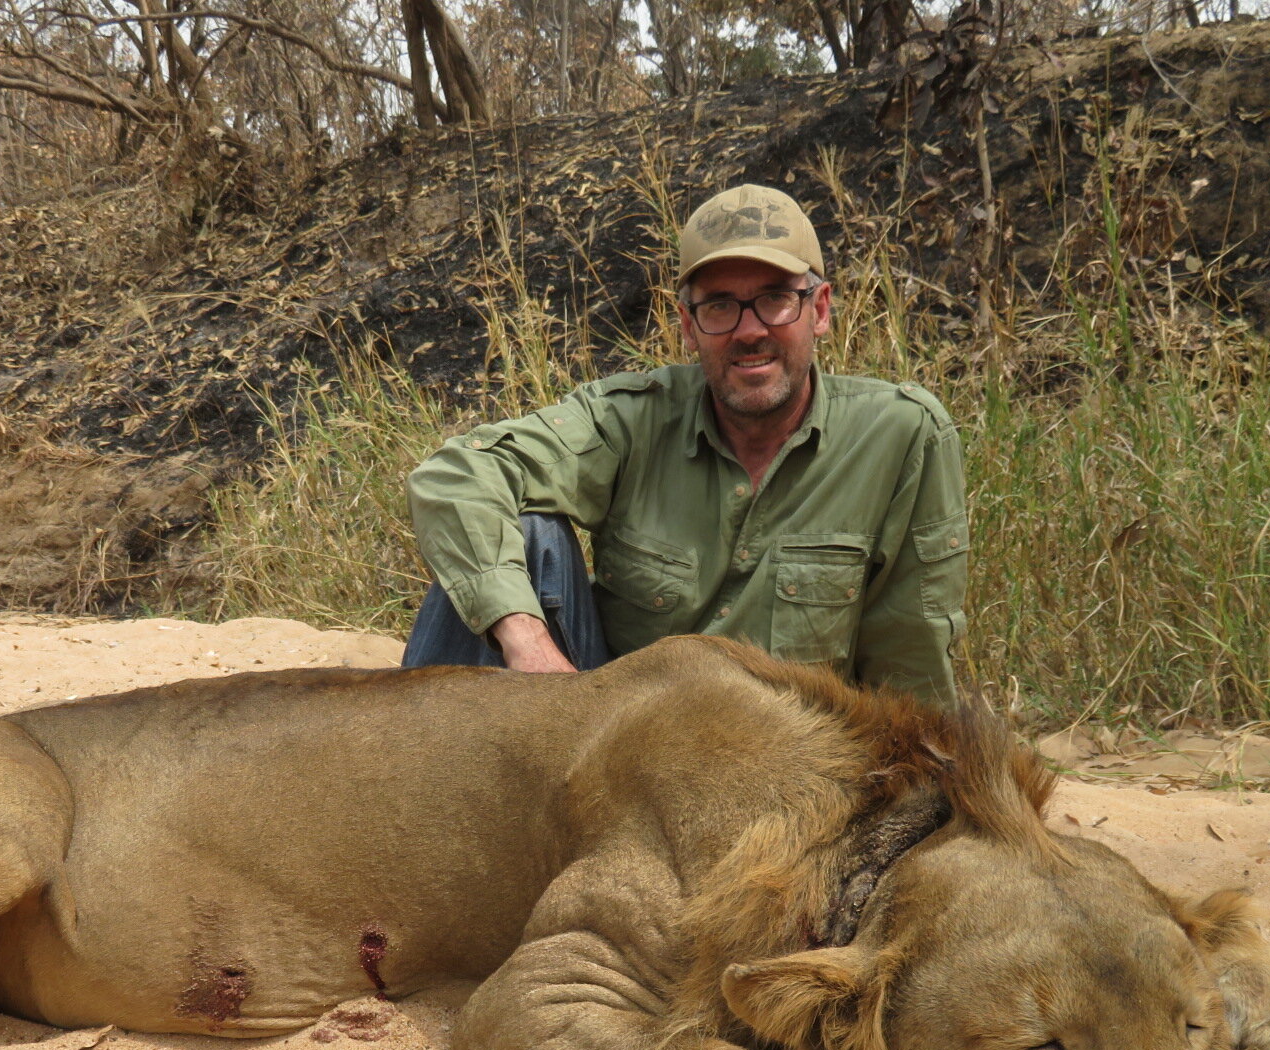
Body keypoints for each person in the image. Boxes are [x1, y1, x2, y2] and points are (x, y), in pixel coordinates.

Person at [400, 182, 969, 707]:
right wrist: (526, 640)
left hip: (782, 764)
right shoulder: (630, 420)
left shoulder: (901, 435)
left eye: (775, 299)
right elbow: (455, 476)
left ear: (818, 310)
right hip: (616, 744)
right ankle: (406, 793)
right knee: (528, 534)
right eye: (719, 305)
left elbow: (911, 669)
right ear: (687, 325)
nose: (749, 330)